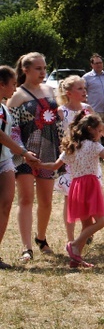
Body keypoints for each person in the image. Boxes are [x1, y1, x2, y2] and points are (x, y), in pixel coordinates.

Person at [37, 112, 104, 268]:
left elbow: (53, 166)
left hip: (76, 187)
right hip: (90, 186)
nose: (100, 134)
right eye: (99, 131)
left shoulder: (72, 146)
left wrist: (38, 164)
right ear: (89, 129)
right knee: (101, 221)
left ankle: (75, 258)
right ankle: (74, 245)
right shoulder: (94, 146)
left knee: (87, 226)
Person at [55, 75, 104, 244]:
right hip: (72, 160)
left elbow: (102, 128)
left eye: (84, 88)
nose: (84, 91)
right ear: (68, 92)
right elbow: (58, 136)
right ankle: (71, 239)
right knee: (70, 198)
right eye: (80, 88)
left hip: (88, 161)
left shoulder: (87, 108)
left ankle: (84, 234)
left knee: (89, 195)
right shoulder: (61, 111)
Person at [8, 52, 62, 261]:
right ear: (26, 70)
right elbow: (11, 130)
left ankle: (41, 238)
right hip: (25, 154)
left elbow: (58, 122)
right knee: (26, 200)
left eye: (44, 68)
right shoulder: (17, 96)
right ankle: (26, 247)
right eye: (38, 68)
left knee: (46, 201)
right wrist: (22, 151)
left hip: (49, 152)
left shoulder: (50, 90)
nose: (43, 72)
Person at [0, 66, 41, 268]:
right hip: (11, 155)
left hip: (4, 160)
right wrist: (24, 153)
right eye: (13, 84)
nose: (15, 89)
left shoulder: (5, 108)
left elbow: (12, 133)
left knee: (6, 204)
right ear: (2, 84)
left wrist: (24, 152)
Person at [83, 54, 104, 154]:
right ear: (92, 65)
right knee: (95, 135)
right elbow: (82, 93)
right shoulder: (86, 77)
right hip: (94, 111)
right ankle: (98, 157)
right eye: (96, 63)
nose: (99, 65)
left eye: (100, 63)